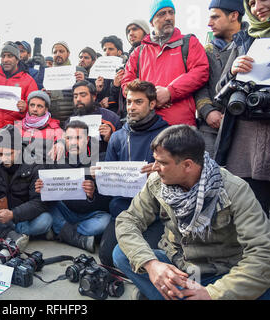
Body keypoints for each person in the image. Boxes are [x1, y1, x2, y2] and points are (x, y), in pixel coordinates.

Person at [112, 124, 270, 300]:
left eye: (163, 163)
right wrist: (152, 265)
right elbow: (128, 220)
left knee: (263, 285)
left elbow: (262, 253)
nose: (154, 168)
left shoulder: (235, 190)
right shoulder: (157, 182)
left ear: (187, 165)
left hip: (222, 273)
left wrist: (212, 294)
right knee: (121, 253)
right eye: (155, 160)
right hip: (178, 266)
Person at [97, 80, 169, 267]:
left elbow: (184, 178)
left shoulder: (168, 134)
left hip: (156, 213)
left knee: (143, 258)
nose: (131, 107)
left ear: (152, 104)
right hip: (124, 209)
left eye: (138, 102)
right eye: (129, 102)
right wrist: (102, 175)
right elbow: (110, 184)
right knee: (107, 257)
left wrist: (161, 170)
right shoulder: (118, 137)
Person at [214, 0, 270, 217]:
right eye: (252, 2)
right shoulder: (244, 41)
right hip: (244, 148)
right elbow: (220, 91)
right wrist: (232, 72)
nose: (257, 8)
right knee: (252, 219)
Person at [121, 0, 209, 126]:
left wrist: (170, 92)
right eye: (162, 14)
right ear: (151, 22)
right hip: (146, 127)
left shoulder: (189, 43)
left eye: (171, 13)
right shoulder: (138, 52)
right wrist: (150, 97)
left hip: (180, 126)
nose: (168, 17)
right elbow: (126, 84)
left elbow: (201, 71)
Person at [35, 121, 111, 253]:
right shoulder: (55, 159)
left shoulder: (100, 160)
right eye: (69, 138)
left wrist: (93, 194)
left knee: (105, 221)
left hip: (88, 214)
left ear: (87, 139)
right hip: (65, 210)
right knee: (48, 209)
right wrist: (40, 189)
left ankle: (63, 231)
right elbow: (46, 196)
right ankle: (75, 236)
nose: (74, 142)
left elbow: (107, 200)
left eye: (78, 138)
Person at [194, 0, 246, 156]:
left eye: (215, 17)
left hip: (244, 128)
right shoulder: (205, 50)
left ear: (234, 16)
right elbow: (199, 85)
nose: (209, 23)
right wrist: (208, 112)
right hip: (210, 129)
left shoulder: (254, 44)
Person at [0, 42, 38, 130]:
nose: (5, 60)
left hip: (16, 131)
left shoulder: (28, 80)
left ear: (17, 59)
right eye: (3, 56)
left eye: (10, 56)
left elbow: (35, 105)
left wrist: (25, 107)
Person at [66, 80, 122, 160]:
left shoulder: (111, 118)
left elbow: (123, 148)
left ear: (94, 97)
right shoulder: (69, 121)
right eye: (75, 96)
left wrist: (110, 138)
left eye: (83, 95)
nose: (78, 99)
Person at [14, 90, 64, 161]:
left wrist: (61, 143)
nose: (35, 109)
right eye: (32, 105)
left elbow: (62, 137)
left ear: (46, 109)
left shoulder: (54, 127)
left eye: (39, 106)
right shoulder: (18, 126)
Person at [47, 41, 87, 128]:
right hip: (53, 122)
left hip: (74, 120)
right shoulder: (48, 74)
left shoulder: (78, 70)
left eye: (61, 51)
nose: (58, 54)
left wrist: (84, 81)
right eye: (55, 52)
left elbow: (91, 93)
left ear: (68, 54)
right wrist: (44, 94)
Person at [94, 35, 128, 114]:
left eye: (111, 49)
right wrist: (97, 91)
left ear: (119, 52)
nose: (107, 52)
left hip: (120, 115)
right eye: (104, 49)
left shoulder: (127, 67)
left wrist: (110, 99)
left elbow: (127, 96)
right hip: (103, 115)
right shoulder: (97, 70)